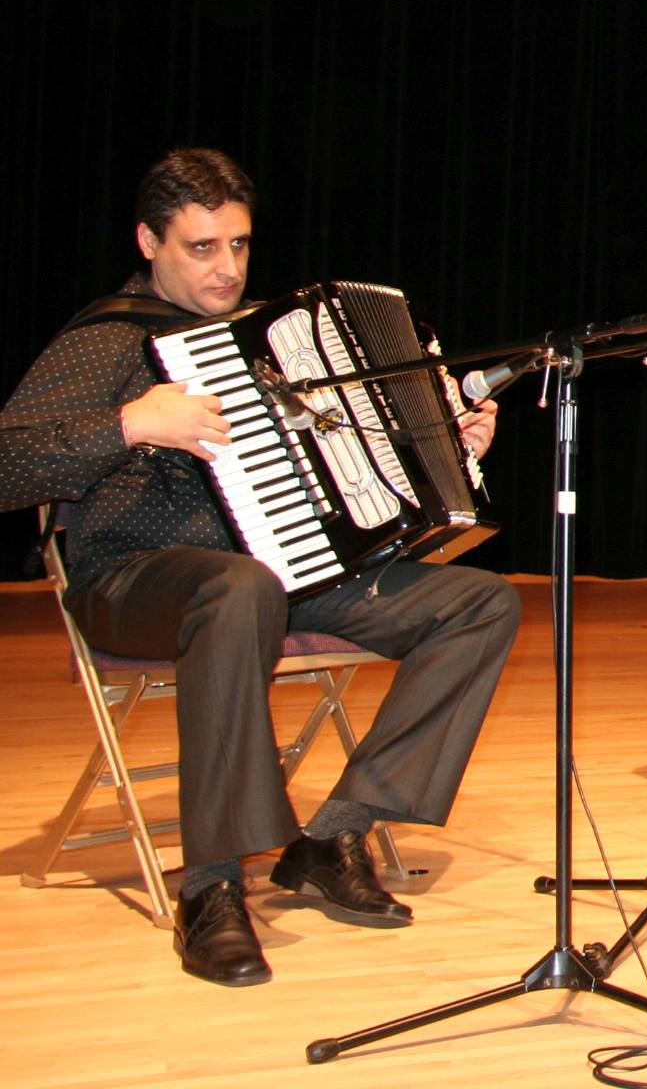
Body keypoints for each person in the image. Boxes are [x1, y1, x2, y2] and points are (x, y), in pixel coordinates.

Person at [0, 148, 520, 987]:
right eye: (201, 248)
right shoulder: (110, 340)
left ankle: (334, 836)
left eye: (238, 245)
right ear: (149, 243)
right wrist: (131, 423)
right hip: (132, 579)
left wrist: (446, 444)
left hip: (282, 575)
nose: (226, 269)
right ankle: (210, 890)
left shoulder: (268, 341)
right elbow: (9, 462)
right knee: (240, 586)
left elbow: (356, 467)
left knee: (480, 604)